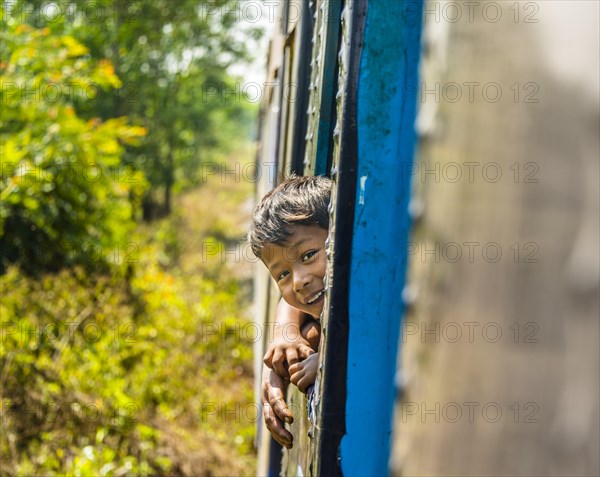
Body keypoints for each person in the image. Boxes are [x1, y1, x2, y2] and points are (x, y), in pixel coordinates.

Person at [247, 175, 331, 448]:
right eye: (282, 274)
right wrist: (285, 337)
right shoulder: (310, 298)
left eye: (308, 256)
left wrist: (328, 360)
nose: (298, 281)